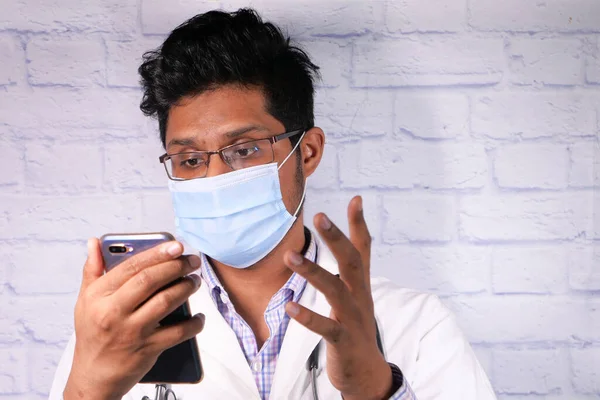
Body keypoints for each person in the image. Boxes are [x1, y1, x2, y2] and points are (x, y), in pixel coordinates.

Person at [49, 8, 496, 400]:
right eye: (188, 159)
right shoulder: (118, 327)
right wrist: (87, 390)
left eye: (244, 150)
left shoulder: (414, 325)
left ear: (307, 152)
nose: (215, 178)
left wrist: (376, 393)